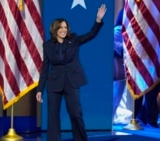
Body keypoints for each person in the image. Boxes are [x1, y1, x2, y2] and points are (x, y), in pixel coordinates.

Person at [35, 4, 107, 141]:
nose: (63, 30)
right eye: (60, 27)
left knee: (75, 113)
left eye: (65, 27)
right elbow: (45, 68)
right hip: (54, 83)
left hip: (71, 81)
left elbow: (91, 35)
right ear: (55, 29)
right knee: (53, 116)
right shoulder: (48, 46)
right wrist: (40, 89)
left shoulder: (73, 40)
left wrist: (98, 20)